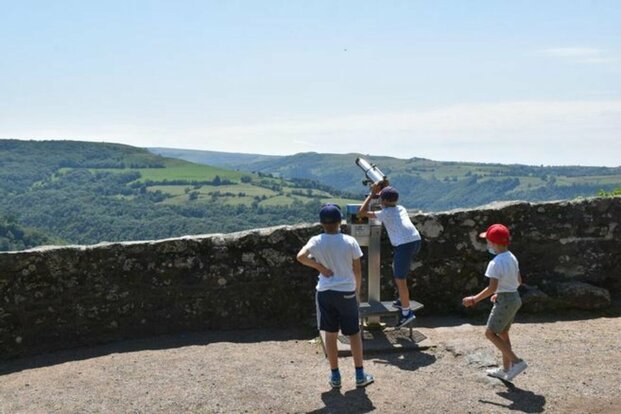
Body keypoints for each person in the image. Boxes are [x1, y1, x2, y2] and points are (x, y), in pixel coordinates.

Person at [296, 204, 374, 389]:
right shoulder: (349, 241)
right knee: (354, 334)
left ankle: (335, 376)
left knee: (330, 334)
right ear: (340, 222)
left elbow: (300, 256)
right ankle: (360, 375)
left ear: (321, 223)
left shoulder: (316, 240)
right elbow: (357, 271)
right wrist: (357, 292)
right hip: (346, 292)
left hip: (325, 292)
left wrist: (320, 268)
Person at [462, 223, 528, 381]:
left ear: (493, 243)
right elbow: (518, 280)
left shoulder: (495, 262)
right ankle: (506, 369)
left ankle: (516, 363)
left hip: (505, 300)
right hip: (514, 298)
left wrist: (474, 299)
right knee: (503, 333)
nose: (487, 244)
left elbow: (492, 287)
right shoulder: (512, 257)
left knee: (490, 333)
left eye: (488, 241)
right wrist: (502, 292)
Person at [358, 184, 422, 328]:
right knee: (398, 269)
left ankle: (406, 313)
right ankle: (402, 300)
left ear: (384, 200)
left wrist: (371, 194)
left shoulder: (384, 213)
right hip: (416, 241)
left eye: (380, 198)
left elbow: (361, 213)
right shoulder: (401, 208)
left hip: (404, 245)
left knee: (400, 279)